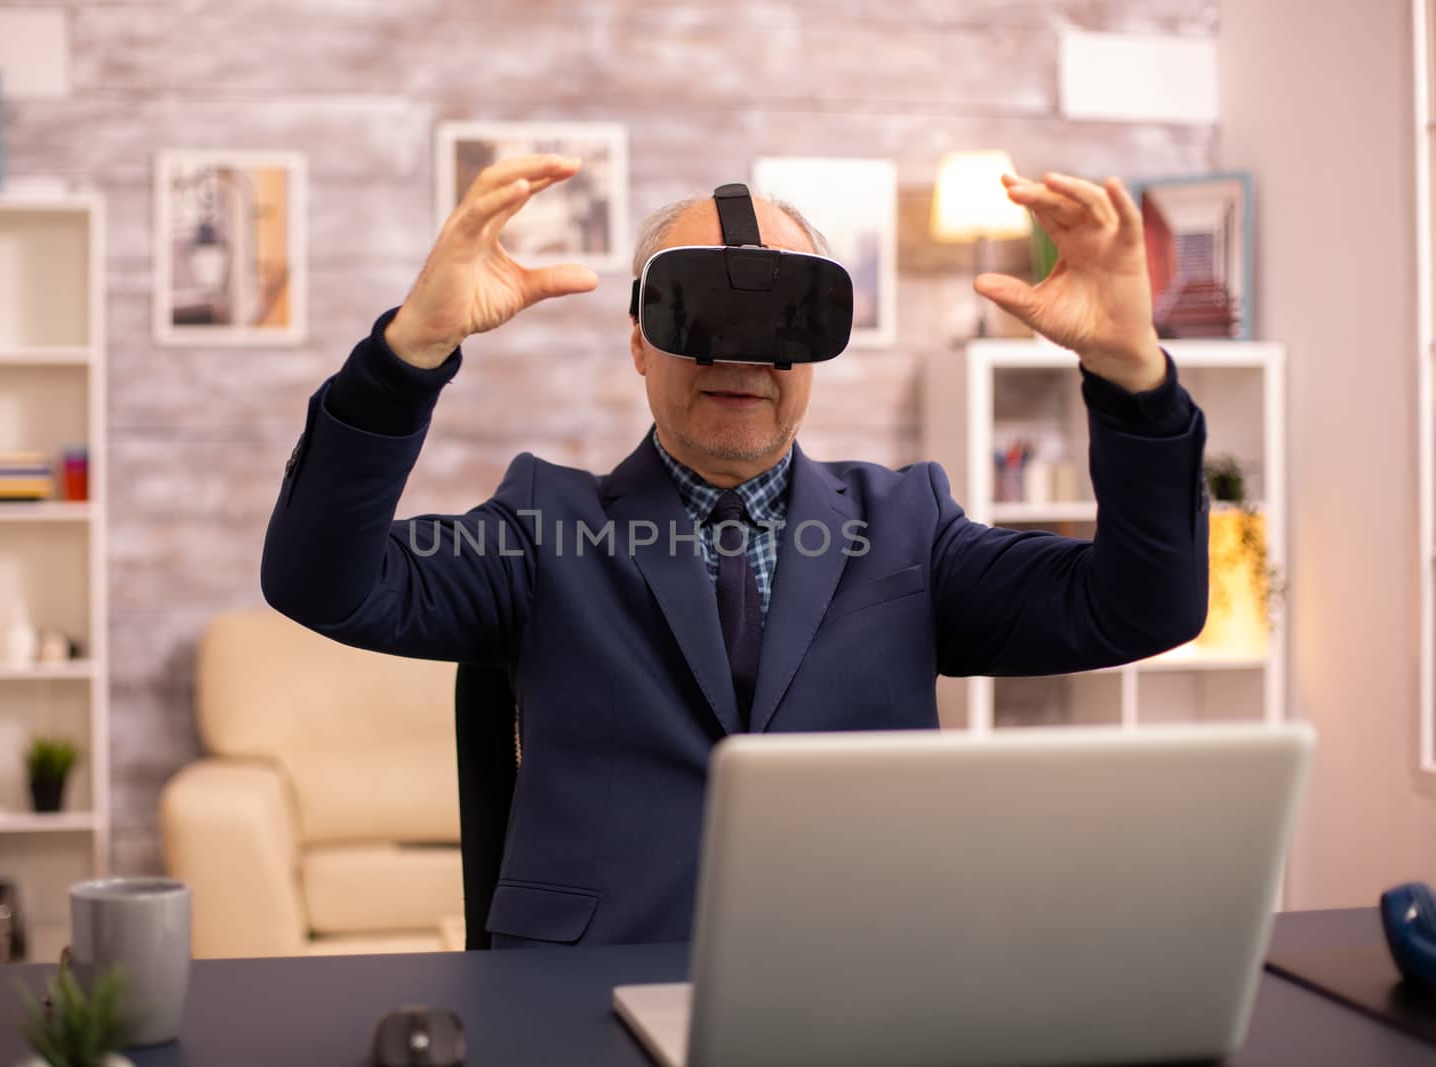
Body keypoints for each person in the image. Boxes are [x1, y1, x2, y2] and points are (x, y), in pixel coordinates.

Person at [261, 154, 1209, 948]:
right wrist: (408, 352)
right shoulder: (544, 527)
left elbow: (1144, 606)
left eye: (779, 322)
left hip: (853, 992)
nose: (740, 355)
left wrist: (1132, 379)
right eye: (700, 316)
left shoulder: (908, 526)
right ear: (639, 338)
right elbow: (322, 582)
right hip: (590, 998)